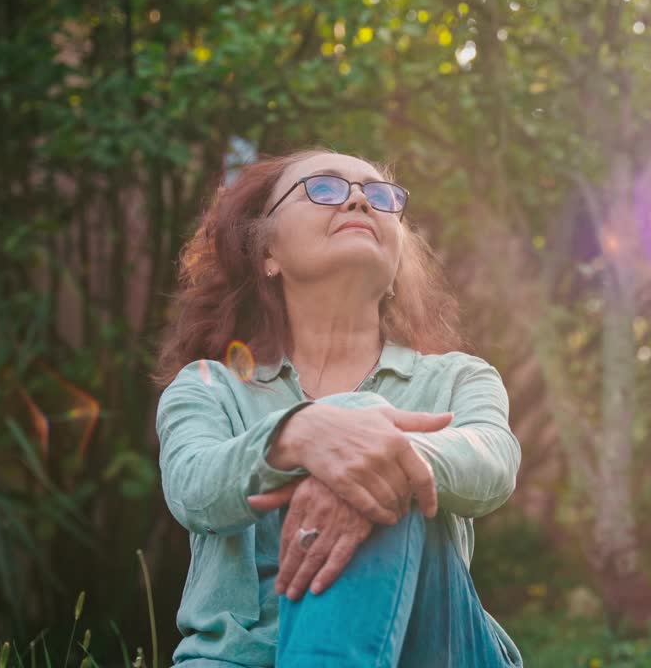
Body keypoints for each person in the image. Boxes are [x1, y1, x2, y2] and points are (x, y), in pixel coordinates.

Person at [150, 148, 524, 667]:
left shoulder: (460, 377)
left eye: (379, 196)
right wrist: (296, 435)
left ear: (396, 264)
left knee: (367, 452)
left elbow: (493, 461)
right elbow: (194, 487)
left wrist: (370, 447)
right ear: (267, 254)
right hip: (237, 660)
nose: (356, 200)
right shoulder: (209, 387)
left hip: (435, 651)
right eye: (323, 188)